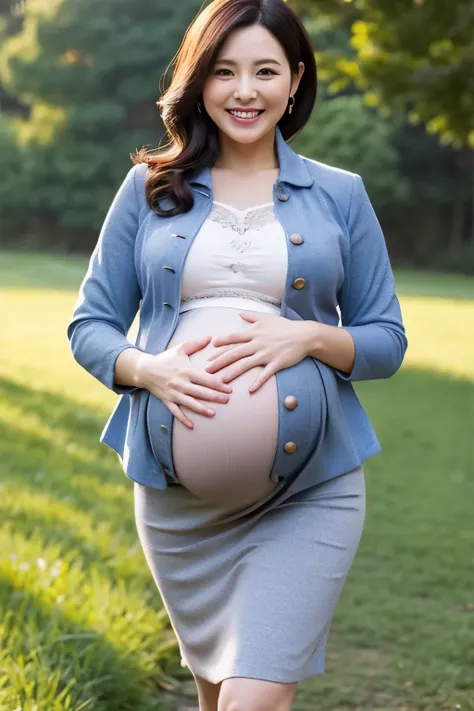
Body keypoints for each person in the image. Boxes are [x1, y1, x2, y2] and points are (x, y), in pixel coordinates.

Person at [66, 0, 408, 709]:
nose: (244, 90)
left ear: (295, 81)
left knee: (254, 700)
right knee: (217, 698)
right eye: (224, 71)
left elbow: (386, 338)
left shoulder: (341, 195)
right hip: (176, 505)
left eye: (264, 70)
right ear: (199, 81)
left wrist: (310, 336)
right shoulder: (149, 188)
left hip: (310, 489)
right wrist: (148, 368)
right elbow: (91, 325)